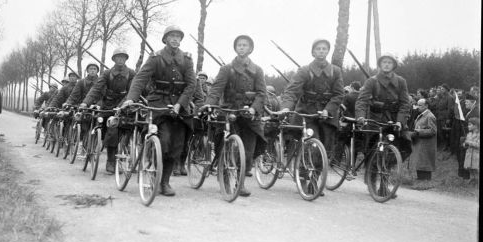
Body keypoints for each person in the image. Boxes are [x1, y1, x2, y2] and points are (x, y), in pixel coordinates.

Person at [121, 27, 195, 195]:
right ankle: (154, 169)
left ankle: (165, 182)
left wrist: (180, 104)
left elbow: (192, 84)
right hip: (159, 103)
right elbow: (140, 78)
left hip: (179, 106)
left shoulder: (187, 59)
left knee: (177, 146)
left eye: (178, 36)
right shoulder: (156, 58)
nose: (175, 39)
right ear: (165, 39)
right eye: (172, 36)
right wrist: (131, 98)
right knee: (164, 141)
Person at [204, 34, 267, 197]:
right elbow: (216, 89)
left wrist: (254, 109)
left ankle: (241, 183)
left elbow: (261, 94)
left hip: (249, 115)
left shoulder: (257, 70)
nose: (242, 47)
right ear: (235, 47)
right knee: (225, 145)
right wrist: (209, 104)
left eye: (245, 45)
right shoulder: (227, 69)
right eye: (239, 45)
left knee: (248, 151)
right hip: (229, 112)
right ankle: (225, 179)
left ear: (250, 49)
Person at [280, 39, 344, 158]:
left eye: (324, 49)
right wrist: (286, 108)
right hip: (307, 111)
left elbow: (339, 94)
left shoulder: (335, 71)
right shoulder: (304, 70)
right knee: (312, 140)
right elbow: (291, 90)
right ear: (313, 52)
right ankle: (304, 173)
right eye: (318, 49)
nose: (321, 51)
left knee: (325, 148)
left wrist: (328, 110)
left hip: (327, 115)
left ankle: (316, 174)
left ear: (328, 51)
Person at [83, 49, 136, 174]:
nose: (120, 60)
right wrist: (86, 102)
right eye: (118, 57)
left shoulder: (131, 73)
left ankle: (129, 156)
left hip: (125, 105)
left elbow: (134, 90)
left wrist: (125, 104)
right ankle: (111, 161)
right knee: (111, 130)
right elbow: (96, 88)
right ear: (114, 59)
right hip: (108, 106)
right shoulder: (107, 73)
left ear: (126, 59)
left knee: (131, 128)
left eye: (123, 57)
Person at [355, 53, 411, 161]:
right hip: (375, 119)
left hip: (394, 119)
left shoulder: (401, 81)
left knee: (405, 144)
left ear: (393, 65)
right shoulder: (371, 81)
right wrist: (360, 116)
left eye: (389, 62)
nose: (386, 65)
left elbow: (405, 103)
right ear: (380, 64)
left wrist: (400, 121)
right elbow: (362, 100)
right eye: (384, 62)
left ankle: (387, 170)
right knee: (372, 149)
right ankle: (371, 174)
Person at [409, 98, 437, 188]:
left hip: (426, 144)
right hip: (420, 143)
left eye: (420, 105)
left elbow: (433, 131)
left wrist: (418, 131)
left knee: (425, 163)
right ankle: (421, 181)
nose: (418, 107)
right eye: (417, 105)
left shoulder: (430, 116)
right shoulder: (421, 115)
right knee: (420, 163)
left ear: (426, 106)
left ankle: (426, 182)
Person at [434, 84, 454, 151]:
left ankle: (446, 145)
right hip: (440, 116)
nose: (441, 90)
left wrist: (448, 118)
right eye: (441, 89)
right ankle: (443, 144)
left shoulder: (450, 97)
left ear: (446, 89)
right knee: (440, 131)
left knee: (445, 132)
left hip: (445, 117)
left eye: (442, 89)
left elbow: (450, 109)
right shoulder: (443, 97)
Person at [463, 118, 480, 184]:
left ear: (475, 126)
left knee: (476, 169)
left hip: (475, 155)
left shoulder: (479, 135)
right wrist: (465, 144)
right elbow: (466, 144)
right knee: (470, 168)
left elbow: (478, 145)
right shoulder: (469, 134)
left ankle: (477, 181)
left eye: (470, 125)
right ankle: (472, 179)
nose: (468, 126)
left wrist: (469, 143)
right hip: (469, 155)